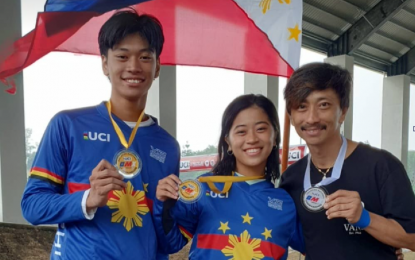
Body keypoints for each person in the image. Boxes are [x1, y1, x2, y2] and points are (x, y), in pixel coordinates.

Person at [21, 10, 180, 260]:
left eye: (145, 57)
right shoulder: (68, 125)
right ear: (105, 63)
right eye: (122, 56)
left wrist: (163, 206)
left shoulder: (168, 146)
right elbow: (32, 206)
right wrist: (88, 198)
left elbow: (167, 242)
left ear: (158, 66)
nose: (134, 67)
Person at [280, 62, 415, 259]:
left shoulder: (381, 165)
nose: (311, 118)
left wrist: (365, 218)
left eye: (323, 105)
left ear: (343, 111)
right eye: (301, 106)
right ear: (291, 117)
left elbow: (412, 238)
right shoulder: (291, 178)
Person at [154, 94, 305, 260]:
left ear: (275, 136)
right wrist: (163, 202)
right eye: (241, 131)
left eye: (261, 129)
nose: (252, 139)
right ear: (228, 142)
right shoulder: (205, 188)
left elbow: (318, 246)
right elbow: (170, 244)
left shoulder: (287, 202)